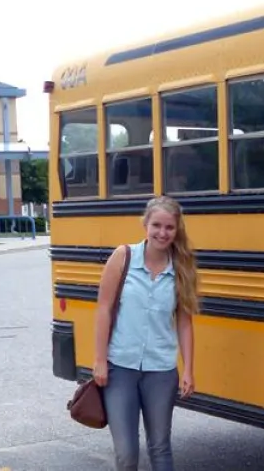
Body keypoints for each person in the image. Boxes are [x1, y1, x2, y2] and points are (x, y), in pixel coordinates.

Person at [92, 196, 200, 471]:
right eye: (157, 225)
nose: (162, 233)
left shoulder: (182, 269)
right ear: (146, 225)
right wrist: (100, 360)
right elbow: (104, 309)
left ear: (177, 230)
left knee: (160, 447)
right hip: (120, 368)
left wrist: (188, 369)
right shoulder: (123, 257)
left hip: (161, 371)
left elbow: (185, 322)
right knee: (127, 453)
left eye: (169, 227)